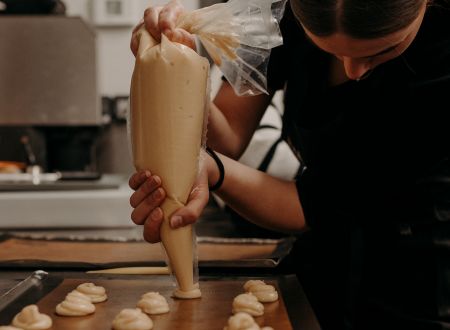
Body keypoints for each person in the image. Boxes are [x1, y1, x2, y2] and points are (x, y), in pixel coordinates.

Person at [128, 0, 450, 329]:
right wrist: (176, 63)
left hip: (420, 270)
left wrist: (213, 170)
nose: (353, 71)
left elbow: (317, 206)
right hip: (322, 261)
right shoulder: (279, 17)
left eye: (382, 51)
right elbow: (228, 137)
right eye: (329, 50)